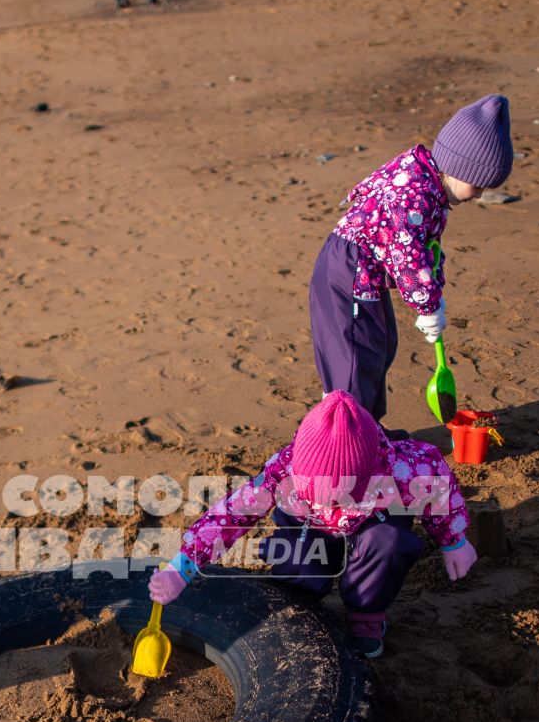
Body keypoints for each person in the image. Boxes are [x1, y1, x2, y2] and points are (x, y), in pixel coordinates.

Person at [148, 391, 476, 658]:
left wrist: (454, 541)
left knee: (390, 545)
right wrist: (182, 567)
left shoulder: (403, 467)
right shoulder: (283, 470)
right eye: (314, 494)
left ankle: (366, 615)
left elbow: (439, 492)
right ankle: (299, 604)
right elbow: (231, 514)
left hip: (372, 518)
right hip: (305, 523)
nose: (323, 504)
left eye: (335, 497)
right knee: (298, 563)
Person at [309, 93, 514, 421]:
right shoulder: (415, 197)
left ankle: (367, 431)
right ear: (459, 167)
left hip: (362, 271)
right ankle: (343, 436)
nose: (479, 195)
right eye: (478, 185)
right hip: (347, 272)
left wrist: (435, 290)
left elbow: (428, 248)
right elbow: (408, 256)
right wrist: (427, 305)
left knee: (381, 346)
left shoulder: (428, 181)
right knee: (356, 357)